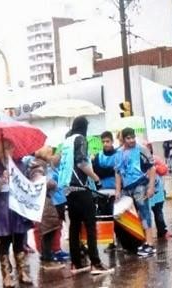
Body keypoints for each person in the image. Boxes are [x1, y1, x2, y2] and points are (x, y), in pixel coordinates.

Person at [58, 116, 113, 275]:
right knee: (90, 224)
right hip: (81, 188)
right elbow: (82, 163)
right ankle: (95, 263)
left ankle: (76, 263)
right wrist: (96, 178)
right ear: (84, 127)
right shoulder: (80, 139)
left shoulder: (67, 141)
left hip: (68, 188)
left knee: (74, 226)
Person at [0, 139, 33, 287]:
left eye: (11, 148)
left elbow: (27, 183)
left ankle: (22, 272)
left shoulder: (21, 164)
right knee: (5, 241)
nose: (9, 151)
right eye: (5, 148)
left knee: (20, 239)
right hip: (2, 206)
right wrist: (0, 180)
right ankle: (6, 275)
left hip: (18, 205)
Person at [115, 127, 156, 257]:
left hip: (140, 184)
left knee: (144, 212)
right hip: (126, 188)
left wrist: (151, 187)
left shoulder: (141, 149)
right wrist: (117, 190)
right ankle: (137, 241)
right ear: (123, 139)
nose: (132, 140)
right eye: (128, 138)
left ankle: (150, 243)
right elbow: (117, 172)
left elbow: (152, 168)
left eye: (133, 137)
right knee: (129, 216)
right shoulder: (119, 153)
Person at [25, 149, 64, 270]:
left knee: (49, 229)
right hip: (43, 202)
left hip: (45, 201)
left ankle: (47, 256)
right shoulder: (38, 166)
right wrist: (52, 183)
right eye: (49, 153)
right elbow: (40, 182)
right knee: (47, 230)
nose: (51, 156)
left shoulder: (39, 165)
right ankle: (47, 258)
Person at [144, 143, 172, 239]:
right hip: (144, 191)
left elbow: (164, 170)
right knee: (144, 213)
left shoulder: (155, 158)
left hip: (157, 191)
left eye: (148, 148)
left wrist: (155, 166)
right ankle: (145, 234)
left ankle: (162, 231)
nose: (147, 150)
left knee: (158, 212)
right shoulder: (137, 160)